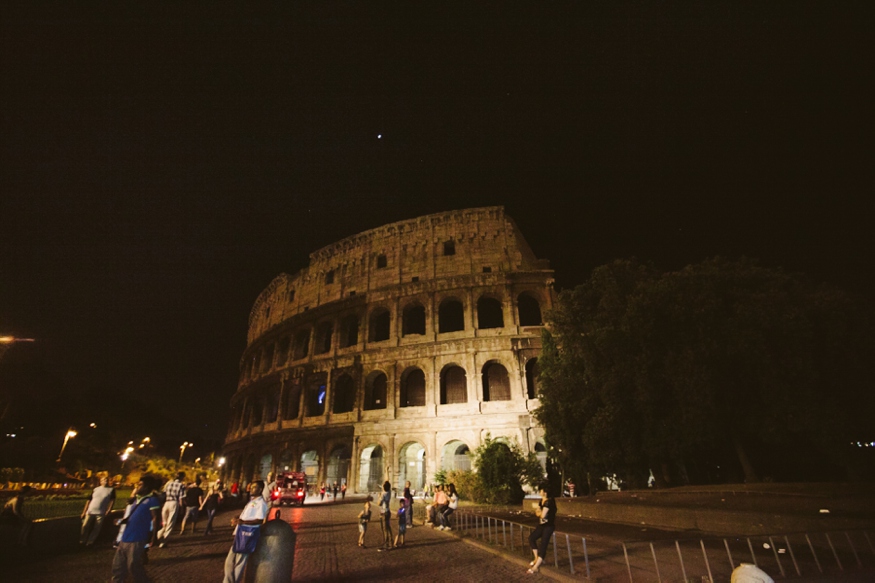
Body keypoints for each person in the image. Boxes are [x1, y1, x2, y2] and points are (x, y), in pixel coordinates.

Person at [111, 476, 160, 583]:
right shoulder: (135, 500)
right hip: (125, 537)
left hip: (138, 538)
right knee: (117, 567)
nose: (137, 486)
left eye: (140, 484)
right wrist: (120, 521)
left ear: (147, 487)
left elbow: (155, 518)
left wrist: (154, 536)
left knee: (133, 567)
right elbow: (131, 516)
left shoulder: (152, 500)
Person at [224, 480, 268, 583]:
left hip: (247, 534)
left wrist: (242, 522)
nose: (250, 489)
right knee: (229, 561)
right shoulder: (252, 501)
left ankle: (232, 581)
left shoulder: (261, 503)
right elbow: (248, 515)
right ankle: (229, 581)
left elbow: (260, 520)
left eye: (253, 487)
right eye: (251, 487)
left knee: (240, 561)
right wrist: (238, 518)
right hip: (240, 533)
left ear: (260, 489)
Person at [527, 482, 557, 575]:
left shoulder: (549, 502)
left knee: (543, 545)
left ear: (545, 491)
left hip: (548, 526)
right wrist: (539, 513)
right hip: (542, 525)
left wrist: (540, 513)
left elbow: (542, 515)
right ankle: (537, 559)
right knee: (532, 538)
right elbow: (538, 512)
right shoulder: (542, 500)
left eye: (540, 490)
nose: (539, 492)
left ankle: (536, 567)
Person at [80, 476, 117, 546]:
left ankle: (90, 541)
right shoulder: (95, 489)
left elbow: (112, 501)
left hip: (101, 512)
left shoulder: (111, 490)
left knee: (97, 528)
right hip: (90, 511)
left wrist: (109, 509)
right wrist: (84, 512)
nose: (105, 481)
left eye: (106, 479)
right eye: (103, 479)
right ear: (100, 481)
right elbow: (89, 500)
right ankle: (82, 540)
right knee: (85, 526)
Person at [158, 472, 186, 547]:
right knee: (170, 523)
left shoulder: (169, 484)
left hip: (166, 503)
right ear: (182, 477)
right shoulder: (181, 485)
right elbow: (181, 498)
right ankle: (163, 541)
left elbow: (163, 493)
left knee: (164, 523)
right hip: (174, 503)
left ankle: (158, 536)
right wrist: (181, 508)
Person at [377, 481, 393, 551]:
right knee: (388, 527)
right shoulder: (389, 492)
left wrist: (379, 497)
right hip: (388, 512)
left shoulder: (383, 494)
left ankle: (386, 545)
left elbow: (379, 504)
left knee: (385, 529)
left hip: (384, 513)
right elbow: (387, 482)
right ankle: (390, 542)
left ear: (384, 487)